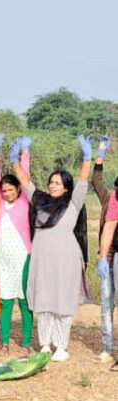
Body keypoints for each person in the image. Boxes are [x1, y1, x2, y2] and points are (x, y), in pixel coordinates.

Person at [12, 135, 91, 362]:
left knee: (63, 300)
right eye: (51, 182)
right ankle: (45, 344)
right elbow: (26, 183)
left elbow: (84, 181)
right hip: (42, 258)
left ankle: (62, 346)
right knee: (44, 300)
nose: (52, 185)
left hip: (66, 259)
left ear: (66, 187)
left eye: (57, 182)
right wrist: (14, 161)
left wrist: (88, 157)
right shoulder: (40, 201)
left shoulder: (73, 201)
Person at [0, 134, 33, 356]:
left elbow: (25, 176)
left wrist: (24, 154)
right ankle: (4, 342)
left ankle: (26, 343)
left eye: (10, 189)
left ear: (18, 189)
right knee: (5, 302)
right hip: (3, 259)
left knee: (24, 302)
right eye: (4, 190)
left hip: (23, 257)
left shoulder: (25, 200)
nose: (7, 193)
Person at [91, 135, 117, 363]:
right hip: (109, 256)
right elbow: (96, 180)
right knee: (107, 302)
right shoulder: (110, 199)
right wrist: (100, 153)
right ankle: (108, 347)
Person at [97, 191, 118, 368]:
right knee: (106, 302)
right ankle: (107, 348)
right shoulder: (116, 194)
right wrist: (103, 256)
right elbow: (110, 226)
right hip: (116, 255)